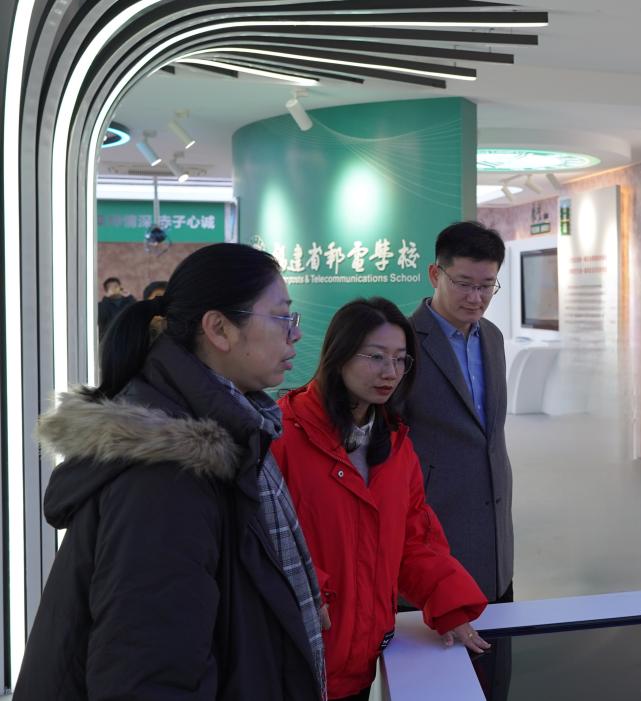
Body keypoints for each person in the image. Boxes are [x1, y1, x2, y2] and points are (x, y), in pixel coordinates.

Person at [16, 243, 326, 700]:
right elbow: (149, 677)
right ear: (219, 329)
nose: (295, 333)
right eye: (282, 317)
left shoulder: (234, 432)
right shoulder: (167, 477)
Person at [274, 297, 490, 701]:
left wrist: (449, 605)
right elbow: (260, 544)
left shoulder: (394, 443)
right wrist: (309, 595)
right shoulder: (284, 435)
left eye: (400, 359)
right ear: (338, 355)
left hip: (361, 658)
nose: (389, 372)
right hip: (295, 658)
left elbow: (413, 538)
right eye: (375, 357)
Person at [405, 220, 512, 603]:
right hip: (432, 529)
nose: (476, 298)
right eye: (464, 283)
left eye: (487, 286)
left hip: (495, 535)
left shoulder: (492, 337)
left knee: (499, 632)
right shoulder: (404, 342)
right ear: (435, 274)